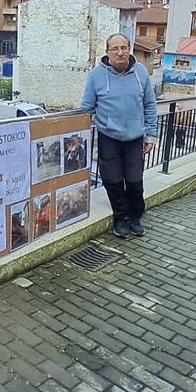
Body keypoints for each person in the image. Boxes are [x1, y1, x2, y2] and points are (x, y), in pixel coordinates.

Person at [80, 34, 157, 239]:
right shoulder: (97, 75)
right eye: (115, 48)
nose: (120, 52)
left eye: (124, 47)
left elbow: (150, 105)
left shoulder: (141, 73)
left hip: (135, 138)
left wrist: (151, 135)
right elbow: (86, 108)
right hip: (109, 137)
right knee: (112, 180)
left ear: (129, 49)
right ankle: (121, 218)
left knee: (134, 181)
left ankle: (135, 217)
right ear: (107, 52)